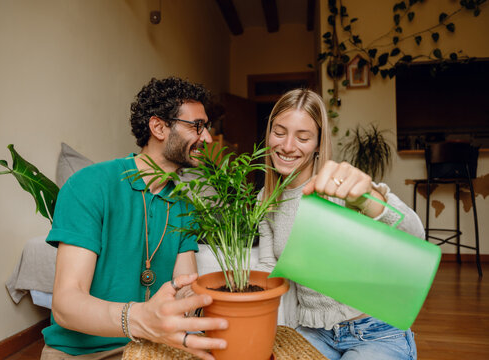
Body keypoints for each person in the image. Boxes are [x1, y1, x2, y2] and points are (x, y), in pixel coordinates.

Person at [41, 77, 228, 360]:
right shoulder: (90, 185)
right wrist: (140, 318)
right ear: (159, 127)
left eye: (207, 127)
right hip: (83, 352)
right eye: (197, 126)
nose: (207, 138)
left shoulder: (184, 204)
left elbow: (183, 288)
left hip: (155, 347)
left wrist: (205, 302)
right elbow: (66, 304)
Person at [256, 88, 424, 360]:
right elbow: (267, 271)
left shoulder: (339, 186)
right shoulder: (266, 199)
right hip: (312, 332)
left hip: (375, 331)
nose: (287, 146)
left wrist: (370, 199)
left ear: (317, 144)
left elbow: (415, 234)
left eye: (303, 137)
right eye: (279, 131)